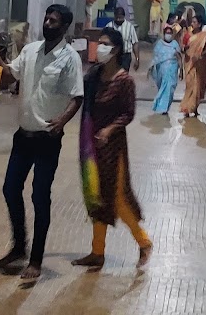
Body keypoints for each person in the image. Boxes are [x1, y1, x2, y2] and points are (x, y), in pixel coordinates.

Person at [0, 4, 84, 287]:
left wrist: (62, 121)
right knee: (10, 188)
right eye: (47, 18)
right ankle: (19, 246)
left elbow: (77, 96)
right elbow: (7, 75)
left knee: (40, 196)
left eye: (54, 21)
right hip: (23, 135)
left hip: (47, 138)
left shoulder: (69, 59)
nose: (48, 23)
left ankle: (36, 259)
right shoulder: (30, 50)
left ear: (64, 27)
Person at [72, 27, 153, 272]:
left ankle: (144, 242)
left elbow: (128, 114)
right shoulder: (94, 76)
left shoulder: (124, 80)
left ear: (116, 49)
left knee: (118, 198)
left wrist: (108, 130)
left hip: (113, 148)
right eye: (99, 43)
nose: (100, 48)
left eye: (105, 44)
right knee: (95, 194)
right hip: (91, 146)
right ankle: (97, 252)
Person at [179, 7, 206, 119]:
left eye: (194, 22)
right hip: (189, 63)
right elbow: (182, 48)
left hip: (199, 64)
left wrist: (201, 55)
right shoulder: (187, 35)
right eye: (192, 22)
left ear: (200, 24)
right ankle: (186, 109)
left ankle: (194, 108)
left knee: (197, 86)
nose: (192, 24)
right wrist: (185, 48)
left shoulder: (204, 36)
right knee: (189, 86)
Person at [149, 23, 181, 115]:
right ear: (163, 34)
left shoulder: (175, 44)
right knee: (163, 88)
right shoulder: (159, 44)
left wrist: (181, 69)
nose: (168, 35)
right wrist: (150, 68)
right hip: (161, 71)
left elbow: (179, 57)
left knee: (169, 89)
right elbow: (155, 58)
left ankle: (165, 107)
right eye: (167, 33)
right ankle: (162, 107)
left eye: (170, 33)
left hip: (172, 70)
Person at [116, 6, 139, 71]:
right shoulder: (110, 26)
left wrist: (137, 59)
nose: (118, 20)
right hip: (113, 56)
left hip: (125, 56)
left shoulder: (130, 27)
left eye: (120, 18)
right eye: (116, 17)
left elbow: (135, 43)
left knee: (123, 76)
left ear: (123, 16)